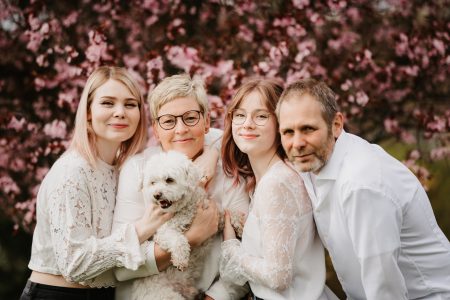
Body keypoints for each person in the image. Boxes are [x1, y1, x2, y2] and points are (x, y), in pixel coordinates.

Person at [277, 78, 450, 299]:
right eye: (288, 132)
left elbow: (384, 287)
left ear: (336, 124)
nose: (297, 143)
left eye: (308, 129)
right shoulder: (311, 163)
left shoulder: (361, 185)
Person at [21, 66, 174, 300]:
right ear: (89, 112)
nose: (120, 112)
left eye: (130, 104)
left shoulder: (123, 170)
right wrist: (141, 230)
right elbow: (74, 264)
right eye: (108, 103)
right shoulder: (72, 172)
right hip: (58, 294)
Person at [112, 73, 250, 300]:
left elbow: (250, 246)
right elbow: (119, 264)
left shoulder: (227, 162)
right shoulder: (138, 170)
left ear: (206, 122)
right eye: (168, 121)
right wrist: (192, 237)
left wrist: (217, 296)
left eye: (190, 118)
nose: (181, 129)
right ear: (155, 130)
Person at [219, 78, 338, 300]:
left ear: (280, 124)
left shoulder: (277, 183)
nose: (247, 124)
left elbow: (278, 276)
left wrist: (232, 250)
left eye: (261, 116)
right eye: (240, 115)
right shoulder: (271, 177)